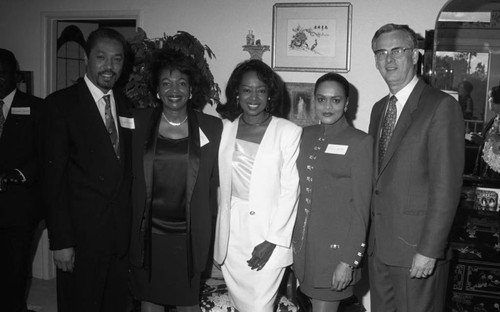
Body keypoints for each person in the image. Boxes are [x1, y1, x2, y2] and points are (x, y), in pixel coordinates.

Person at [367, 23, 464, 312]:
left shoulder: (441, 106)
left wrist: (429, 250)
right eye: (381, 52)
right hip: (379, 249)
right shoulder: (378, 108)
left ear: (416, 55)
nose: (389, 59)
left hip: (417, 251)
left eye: (398, 50)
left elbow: (446, 187)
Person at [42, 28, 133, 312]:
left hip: (119, 237)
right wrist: (61, 242)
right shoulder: (60, 105)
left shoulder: (127, 105)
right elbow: (52, 180)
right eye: (101, 57)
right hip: (81, 239)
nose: (109, 67)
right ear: (86, 59)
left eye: (117, 59)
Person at [128, 48, 222, 312]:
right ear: (157, 89)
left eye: (182, 83)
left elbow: (215, 180)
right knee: (150, 303)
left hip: (188, 236)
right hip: (149, 234)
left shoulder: (211, 127)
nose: (174, 89)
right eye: (166, 83)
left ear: (191, 90)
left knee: (187, 305)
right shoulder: (138, 122)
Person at [214, 59, 301, 312]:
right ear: (236, 93)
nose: (254, 97)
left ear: (270, 95)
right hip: (231, 236)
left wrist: (272, 241)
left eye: (261, 90)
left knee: (259, 307)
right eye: (247, 89)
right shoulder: (223, 128)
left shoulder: (288, 132)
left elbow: (290, 192)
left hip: (267, 235)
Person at [292, 73, 372, 312]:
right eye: (321, 99)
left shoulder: (360, 142)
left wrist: (348, 261)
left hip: (334, 255)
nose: (328, 106)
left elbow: (361, 209)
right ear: (314, 101)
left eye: (335, 100)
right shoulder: (304, 136)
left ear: (347, 104)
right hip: (305, 252)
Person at [0, 48, 43, 312]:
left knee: (15, 269)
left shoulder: (37, 108)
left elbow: (47, 155)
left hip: (20, 207)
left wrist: (20, 174)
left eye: (2, 74)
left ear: (16, 75)